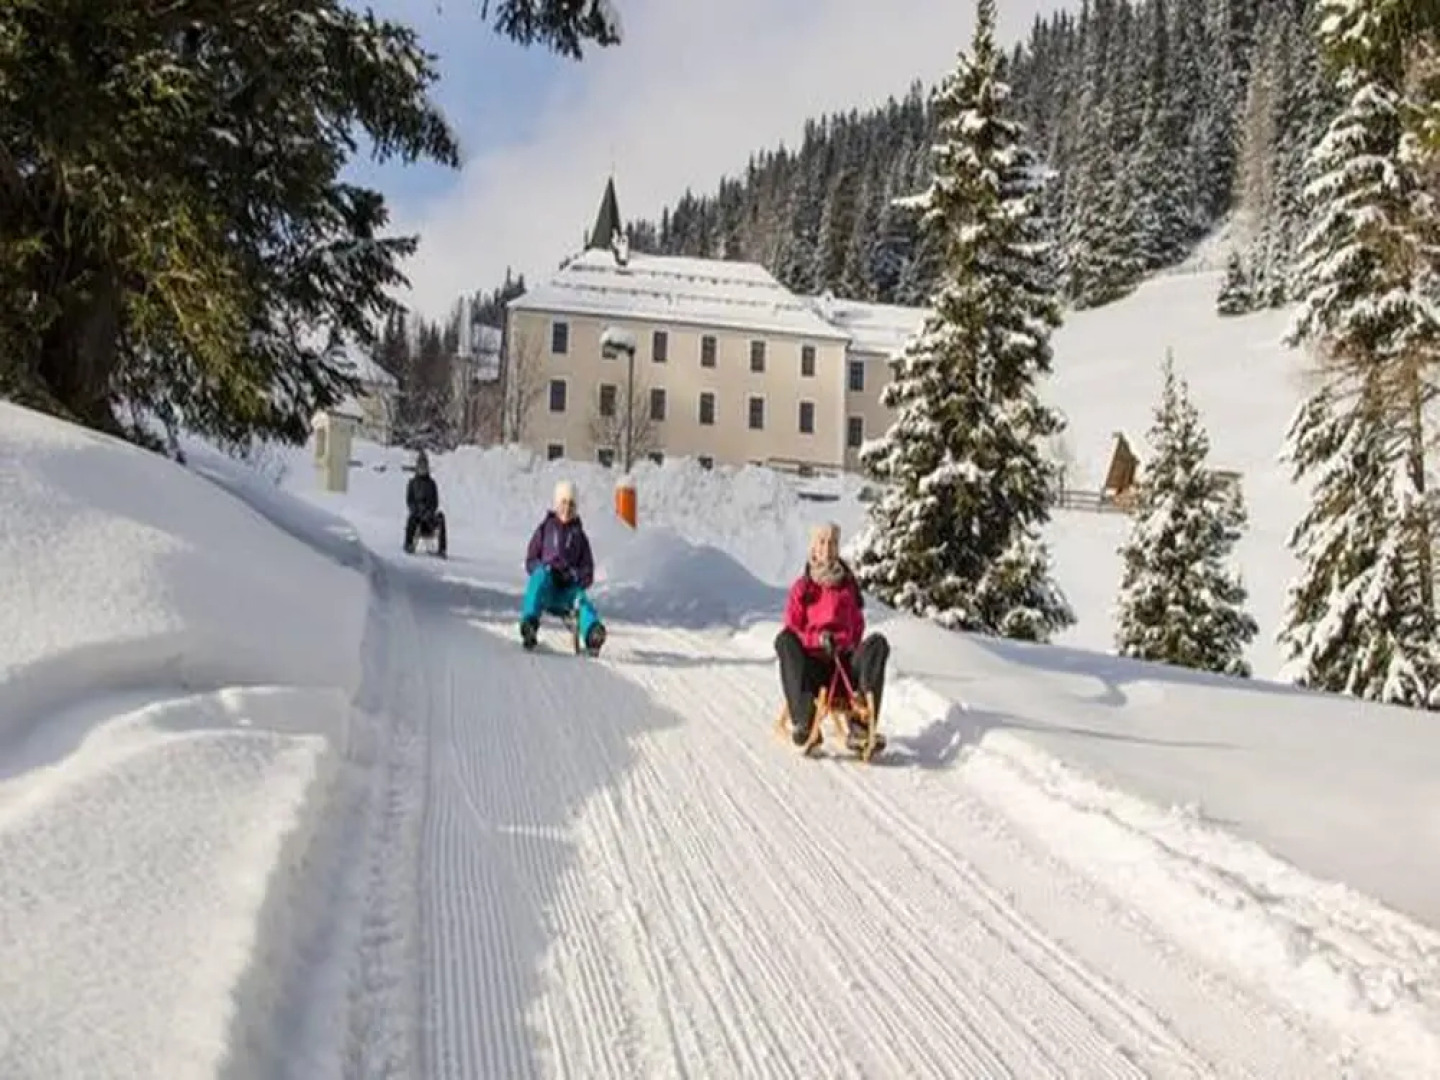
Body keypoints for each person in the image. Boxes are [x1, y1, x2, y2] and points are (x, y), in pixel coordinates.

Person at [775, 522, 889, 752]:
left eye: (833, 543)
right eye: (822, 542)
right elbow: (794, 627)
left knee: (877, 643)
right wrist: (817, 639)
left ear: (837, 548)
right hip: (813, 665)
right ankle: (805, 723)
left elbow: (857, 627)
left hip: (843, 664)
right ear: (814, 548)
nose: (827, 548)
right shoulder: (803, 587)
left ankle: (860, 726)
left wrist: (844, 641)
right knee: (784, 640)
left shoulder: (847, 586)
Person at [520, 479, 606, 654]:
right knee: (537, 580)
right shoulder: (545, 529)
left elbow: (588, 571)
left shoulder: (579, 536)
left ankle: (592, 632)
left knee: (581, 599)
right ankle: (529, 625)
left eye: (572, 504)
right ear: (557, 504)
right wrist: (544, 569)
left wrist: (573, 575)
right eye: (564, 503)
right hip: (547, 587)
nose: (567, 508)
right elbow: (530, 560)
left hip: (567, 592)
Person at [403, 450, 447, 557]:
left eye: (425, 466)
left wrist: (429, 512)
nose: (423, 468)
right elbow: (410, 501)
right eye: (421, 466)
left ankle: (442, 549)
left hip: (429, 517)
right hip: (417, 515)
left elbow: (435, 501)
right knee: (411, 518)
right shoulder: (412, 483)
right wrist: (417, 511)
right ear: (417, 467)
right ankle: (408, 544)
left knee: (441, 517)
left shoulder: (432, 484)